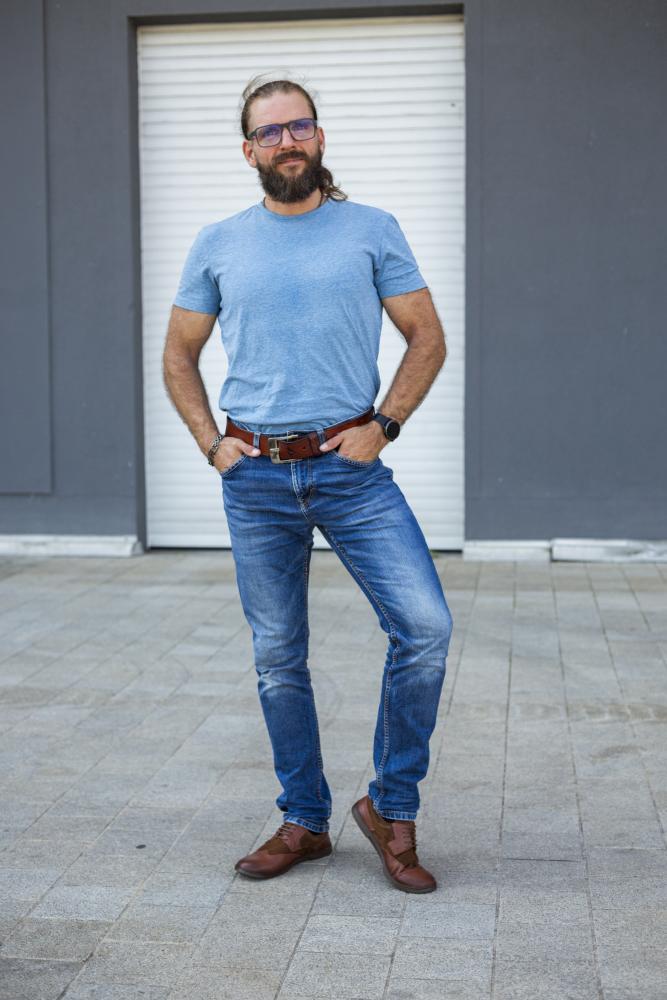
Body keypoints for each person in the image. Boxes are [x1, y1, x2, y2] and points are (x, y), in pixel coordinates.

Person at [163, 76, 453, 894]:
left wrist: (384, 425)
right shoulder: (218, 241)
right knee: (278, 657)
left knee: (425, 628)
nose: (287, 142)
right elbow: (177, 354)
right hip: (253, 477)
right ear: (248, 150)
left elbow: (425, 338)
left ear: (318, 137)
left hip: (349, 472)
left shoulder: (370, 229)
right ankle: (305, 819)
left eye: (300, 127)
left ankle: (389, 805)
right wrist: (210, 444)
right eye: (270, 132)